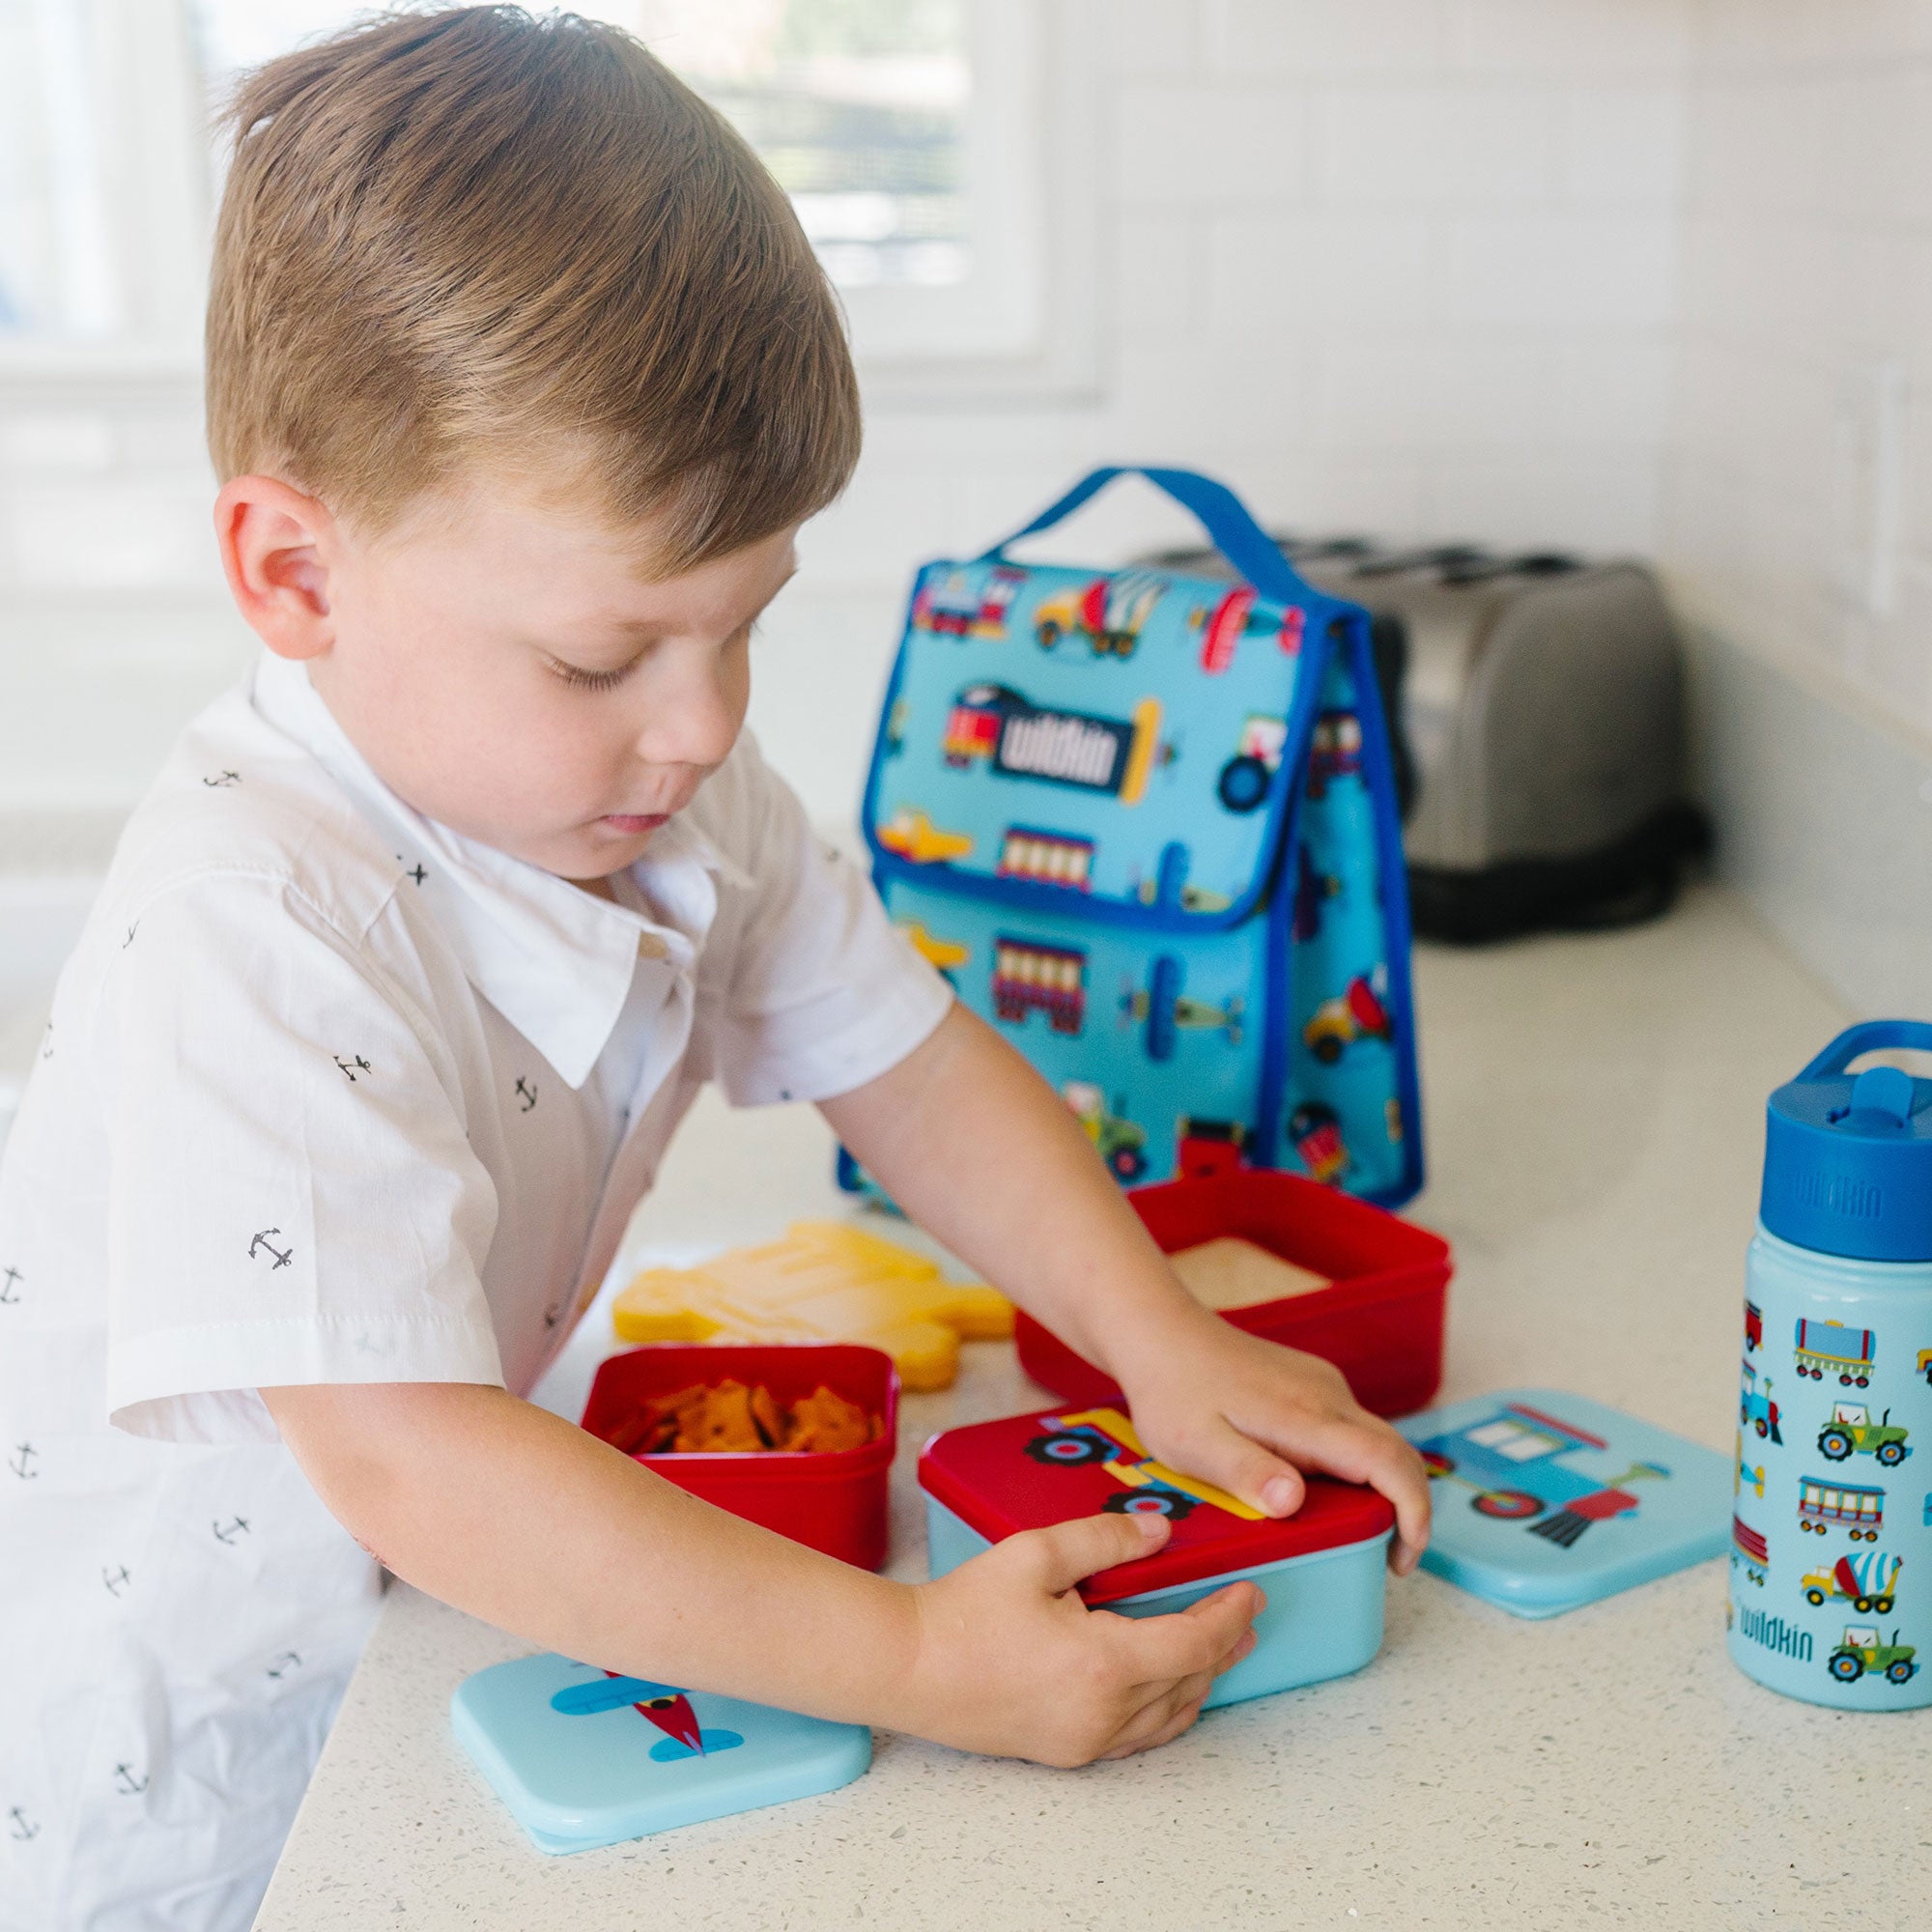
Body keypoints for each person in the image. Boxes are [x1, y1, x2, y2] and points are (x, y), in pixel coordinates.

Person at [0, 11, 1429, 1927]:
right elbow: (421, 1466)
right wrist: (919, 1662)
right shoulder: (250, 930)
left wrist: (1155, 1334)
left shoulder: (662, 791)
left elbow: (909, 1069)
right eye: (607, 659)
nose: (699, 724)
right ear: (296, 577)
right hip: (164, 1762)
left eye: (744, 624)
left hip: (425, 1645)